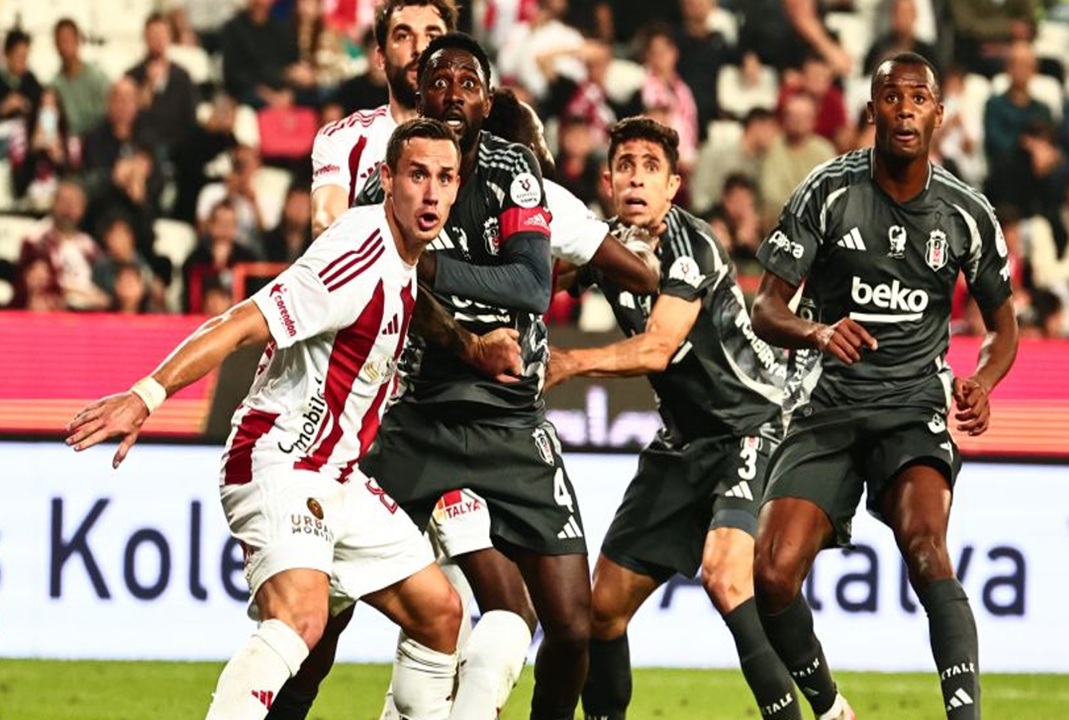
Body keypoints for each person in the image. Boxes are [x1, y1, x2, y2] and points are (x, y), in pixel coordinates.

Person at [273, 33, 659, 720]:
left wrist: (424, 263)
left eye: (468, 83)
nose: (453, 93)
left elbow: (530, 285)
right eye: (439, 81)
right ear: (419, 95)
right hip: (418, 414)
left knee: (572, 627)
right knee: (327, 603)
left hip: (512, 420)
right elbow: (387, 288)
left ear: (486, 101)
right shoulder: (388, 179)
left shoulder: (514, 170)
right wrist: (456, 321)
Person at [65, 117, 467, 720]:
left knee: (440, 614)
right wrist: (147, 394)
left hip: (338, 476)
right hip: (277, 459)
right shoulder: (355, 254)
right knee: (301, 618)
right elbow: (241, 323)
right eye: (416, 175)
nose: (431, 193)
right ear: (386, 178)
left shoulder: (404, 258)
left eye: (445, 178)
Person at [750, 52, 1019, 720]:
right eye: (892, 98)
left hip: (912, 405)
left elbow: (1003, 326)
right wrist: (817, 332)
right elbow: (767, 308)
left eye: (918, 98)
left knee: (926, 547)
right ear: (872, 111)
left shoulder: (966, 212)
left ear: (939, 114)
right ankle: (831, 709)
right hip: (829, 405)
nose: (905, 110)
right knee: (772, 574)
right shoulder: (827, 192)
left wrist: (983, 380)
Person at [542, 116, 798, 720]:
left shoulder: (693, 248)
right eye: (625, 166)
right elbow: (540, 280)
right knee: (602, 609)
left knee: (727, 579)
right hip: (683, 443)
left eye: (651, 168)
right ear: (608, 181)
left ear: (673, 185)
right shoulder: (605, 244)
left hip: (750, 426)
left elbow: (658, 348)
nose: (637, 178)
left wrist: (569, 362)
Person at [309, 0, 456, 237]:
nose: (419, 48)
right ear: (380, 57)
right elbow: (326, 229)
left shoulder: (481, 145)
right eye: (403, 36)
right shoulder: (343, 138)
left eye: (432, 36)